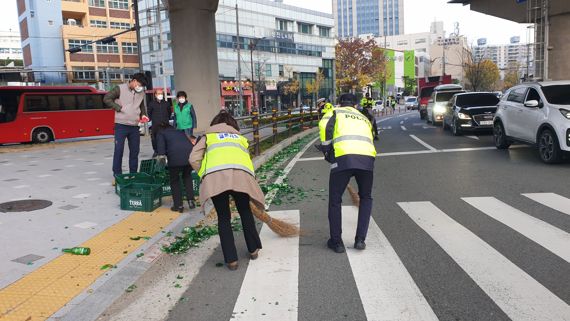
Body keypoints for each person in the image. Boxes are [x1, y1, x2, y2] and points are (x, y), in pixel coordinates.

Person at [190, 111, 264, 271]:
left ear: (214, 124)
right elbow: (247, 160)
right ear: (233, 125)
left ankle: (231, 260)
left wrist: (205, 174)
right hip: (241, 177)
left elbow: (193, 158)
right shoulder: (241, 139)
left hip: (216, 179)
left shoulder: (208, 137)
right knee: (245, 212)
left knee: (224, 217)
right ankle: (253, 250)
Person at [316, 93, 376, 254]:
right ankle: (360, 240)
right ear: (355, 105)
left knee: (335, 200)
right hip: (367, 159)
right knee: (366, 198)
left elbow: (324, 126)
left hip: (343, 157)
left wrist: (327, 151)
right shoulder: (363, 117)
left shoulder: (335, 112)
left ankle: (337, 242)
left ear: (340, 103)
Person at [104, 73, 149, 181]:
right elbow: (106, 98)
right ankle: (117, 175)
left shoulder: (141, 92)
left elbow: (141, 105)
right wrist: (119, 108)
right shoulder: (120, 89)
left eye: (142, 86)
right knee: (118, 150)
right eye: (139, 84)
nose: (140, 87)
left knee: (135, 151)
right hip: (121, 125)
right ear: (133, 81)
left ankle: (133, 174)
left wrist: (143, 114)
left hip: (134, 126)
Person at [156, 123, 196, 212]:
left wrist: (160, 160)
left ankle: (178, 205)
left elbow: (161, 151)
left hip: (175, 158)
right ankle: (191, 200)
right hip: (189, 157)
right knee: (187, 176)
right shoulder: (179, 132)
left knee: (174, 180)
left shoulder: (161, 133)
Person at [147, 88, 173, 157]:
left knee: (166, 137)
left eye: (161, 94)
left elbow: (169, 112)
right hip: (155, 124)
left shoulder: (166, 103)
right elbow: (149, 113)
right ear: (155, 95)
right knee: (154, 139)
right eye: (159, 93)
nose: (160, 95)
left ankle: (166, 151)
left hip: (165, 124)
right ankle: (156, 151)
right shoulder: (151, 104)